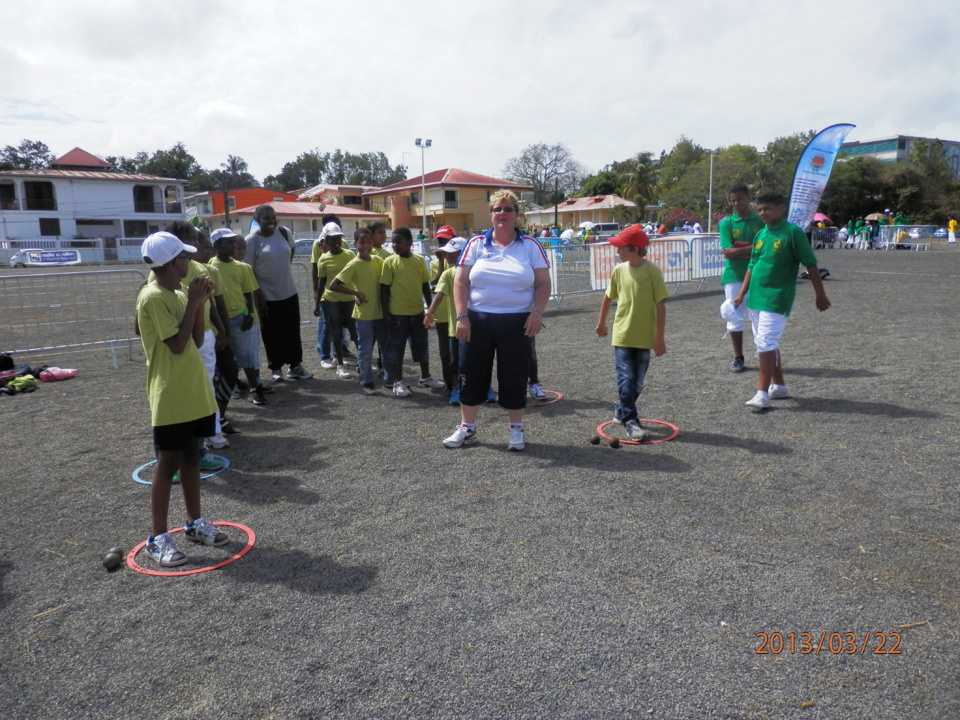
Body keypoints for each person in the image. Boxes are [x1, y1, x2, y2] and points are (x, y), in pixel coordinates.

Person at [135, 231, 228, 567]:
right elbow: (175, 344)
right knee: (168, 465)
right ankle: (157, 536)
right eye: (185, 257)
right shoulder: (153, 296)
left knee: (192, 456)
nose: (191, 261)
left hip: (192, 390)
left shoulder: (176, 293)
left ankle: (194, 521)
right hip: (171, 394)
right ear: (174, 263)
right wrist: (192, 302)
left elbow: (197, 336)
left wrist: (200, 303)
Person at [444, 190, 550, 451]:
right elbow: (460, 281)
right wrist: (462, 317)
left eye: (508, 209)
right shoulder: (476, 243)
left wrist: (537, 312)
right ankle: (467, 429)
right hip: (477, 320)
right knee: (471, 372)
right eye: (497, 209)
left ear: (517, 215)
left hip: (517, 323)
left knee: (515, 374)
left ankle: (515, 429)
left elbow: (544, 283)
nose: (502, 213)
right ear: (491, 215)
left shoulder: (530, 246)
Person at [733, 191, 831, 410]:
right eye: (759, 210)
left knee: (765, 343)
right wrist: (741, 294)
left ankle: (761, 394)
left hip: (777, 297)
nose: (762, 213)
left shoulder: (793, 232)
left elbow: (810, 264)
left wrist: (820, 294)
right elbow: (752, 265)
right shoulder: (760, 235)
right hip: (756, 298)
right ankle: (779, 386)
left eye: (767, 209)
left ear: (780, 209)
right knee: (765, 343)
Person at [594, 225, 667, 440]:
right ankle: (631, 421)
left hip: (645, 337)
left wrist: (659, 338)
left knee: (637, 383)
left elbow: (661, 305)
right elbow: (608, 297)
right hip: (622, 335)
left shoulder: (653, 271)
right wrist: (601, 323)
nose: (617, 251)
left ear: (634, 249)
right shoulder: (619, 270)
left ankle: (621, 409)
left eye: (621, 248)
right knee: (625, 378)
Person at [246, 204, 312, 382]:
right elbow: (248, 271)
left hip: (289, 292)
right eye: (266, 218)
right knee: (271, 333)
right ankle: (276, 368)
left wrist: (284, 267)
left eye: (273, 217)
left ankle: (295, 366)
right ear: (257, 220)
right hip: (266, 296)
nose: (271, 221)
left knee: (292, 331)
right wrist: (258, 296)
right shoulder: (251, 241)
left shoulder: (284, 233)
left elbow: (291, 249)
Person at [380, 227, 444, 396]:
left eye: (398, 241)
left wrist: (430, 310)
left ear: (409, 243)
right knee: (397, 347)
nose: (395, 245)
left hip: (417, 313)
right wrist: (386, 313)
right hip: (397, 313)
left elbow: (424, 284)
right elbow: (384, 289)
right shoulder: (389, 262)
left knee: (421, 345)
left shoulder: (418, 261)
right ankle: (398, 381)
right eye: (393, 242)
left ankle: (425, 376)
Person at [210, 229, 270, 406]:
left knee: (248, 358)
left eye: (233, 242)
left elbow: (248, 293)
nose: (233, 245)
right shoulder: (210, 267)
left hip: (240, 318)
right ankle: (231, 387)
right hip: (221, 321)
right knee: (226, 359)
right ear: (217, 245)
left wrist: (249, 314)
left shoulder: (243, 267)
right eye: (228, 242)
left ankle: (255, 389)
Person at [330, 227, 386, 395]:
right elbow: (334, 285)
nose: (366, 246)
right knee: (365, 349)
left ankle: (390, 378)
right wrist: (355, 293)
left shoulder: (377, 260)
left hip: (380, 313)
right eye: (362, 242)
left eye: (369, 242)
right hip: (364, 315)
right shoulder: (353, 263)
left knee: (385, 347)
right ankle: (367, 381)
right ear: (355, 244)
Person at [717, 184, 764, 373]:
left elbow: (763, 249)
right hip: (733, 274)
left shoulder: (760, 221)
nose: (736, 203)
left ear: (748, 198)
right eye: (733, 200)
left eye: (740, 199)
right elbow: (728, 252)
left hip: (758, 273)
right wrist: (752, 249)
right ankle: (738, 357)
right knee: (733, 314)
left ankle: (763, 354)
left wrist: (740, 250)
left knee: (759, 316)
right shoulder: (727, 223)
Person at [424, 235, 467, 403]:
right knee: (454, 360)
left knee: (477, 359)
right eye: (447, 252)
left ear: (464, 254)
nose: (448, 255)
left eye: (452, 253)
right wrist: (430, 313)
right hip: (455, 328)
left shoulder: (476, 272)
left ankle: (485, 388)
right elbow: (439, 295)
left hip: (475, 325)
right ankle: (455, 388)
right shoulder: (448, 273)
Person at [314, 222, 357, 379]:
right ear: (326, 241)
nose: (336, 241)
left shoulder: (350, 255)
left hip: (349, 299)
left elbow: (357, 275)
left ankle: (362, 364)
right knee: (336, 333)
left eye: (338, 238)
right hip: (331, 300)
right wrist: (317, 304)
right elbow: (321, 283)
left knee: (355, 332)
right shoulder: (323, 260)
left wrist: (359, 294)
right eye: (332, 239)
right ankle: (340, 364)